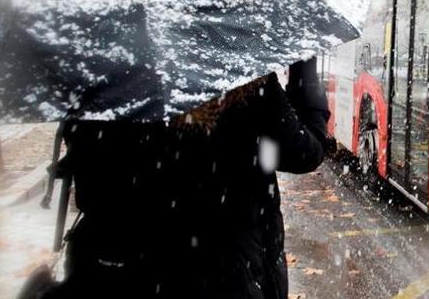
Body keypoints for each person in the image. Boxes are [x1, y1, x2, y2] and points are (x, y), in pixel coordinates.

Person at [23, 58, 333, 299]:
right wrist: (305, 73)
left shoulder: (97, 72)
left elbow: (92, 185)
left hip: (115, 271)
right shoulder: (238, 75)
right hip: (223, 275)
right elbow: (304, 153)